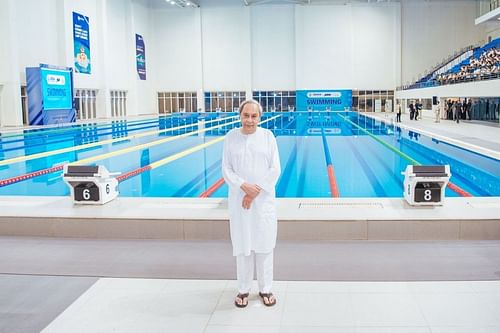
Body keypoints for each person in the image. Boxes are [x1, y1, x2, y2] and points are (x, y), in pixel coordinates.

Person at [222, 99, 281, 309]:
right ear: (240, 116)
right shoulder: (231, 137)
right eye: (246, 115)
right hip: (240, 200)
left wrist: (255, 191)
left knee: (265, 245)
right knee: (243, 246)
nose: (249, 120)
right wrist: (243, 186)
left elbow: (275, 169)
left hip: (262, 200)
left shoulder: (268, 137)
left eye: (253, 116)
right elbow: (226, 170)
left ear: (260, 117)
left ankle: (266, 288)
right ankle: (244, 289)